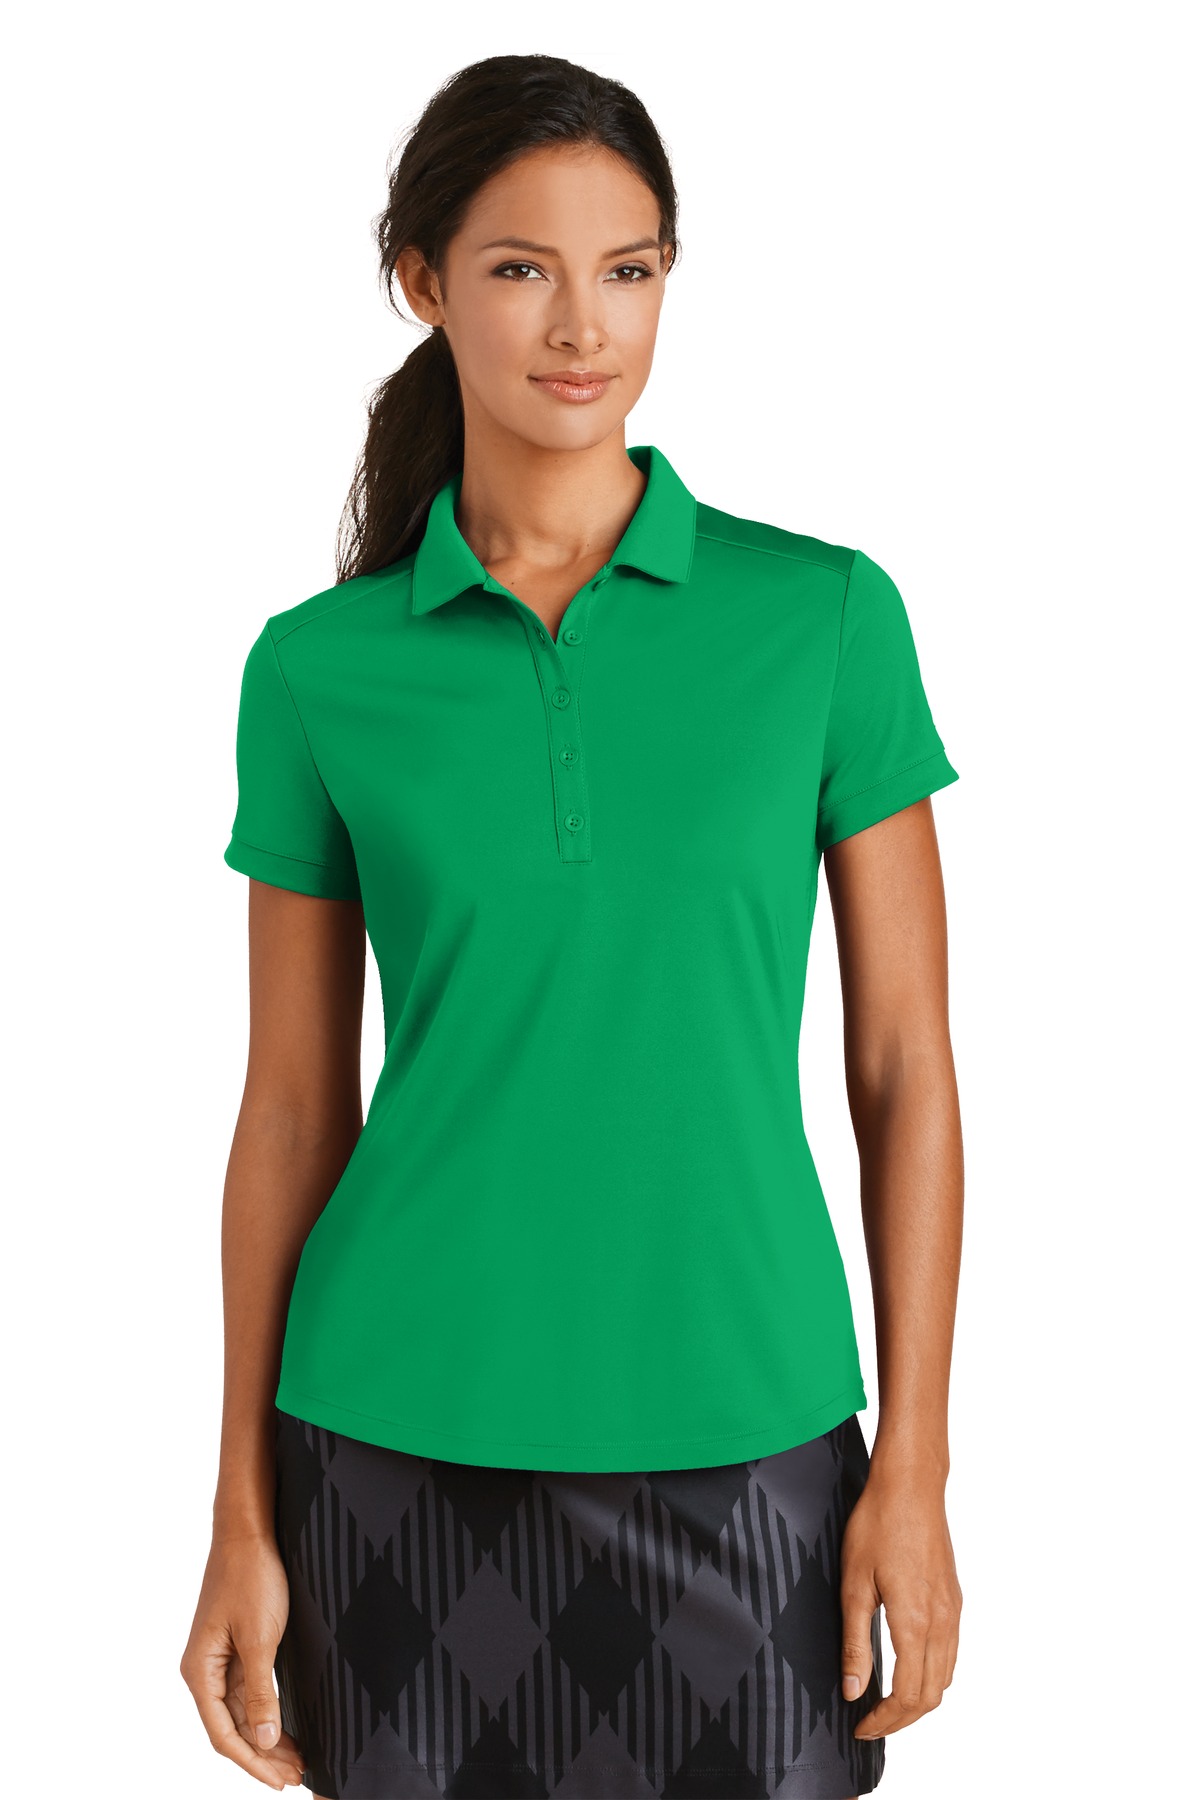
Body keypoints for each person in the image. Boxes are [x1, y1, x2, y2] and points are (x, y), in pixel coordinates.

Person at [180, 52, 964, 1800]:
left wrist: (912, 1465)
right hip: (392, 1434)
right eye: (523, 267)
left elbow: (905, 1067)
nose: (583, 324)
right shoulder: (317, 671)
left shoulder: (826, 621)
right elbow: (291, 1110)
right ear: (424, 282)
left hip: (752, 1427)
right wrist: (239, 1510)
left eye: (630, 268)